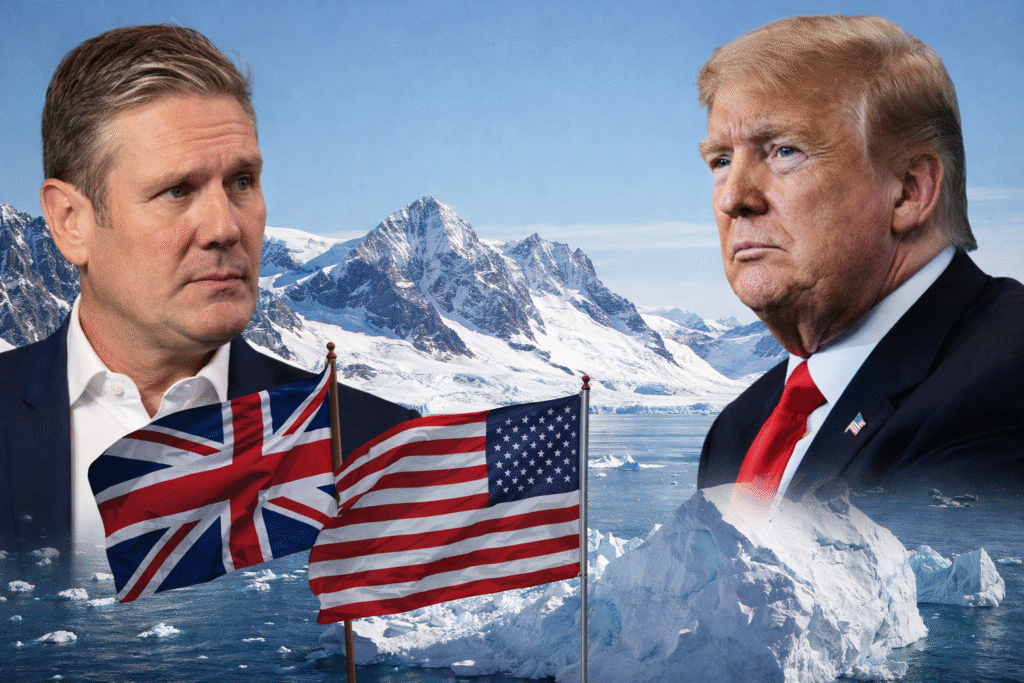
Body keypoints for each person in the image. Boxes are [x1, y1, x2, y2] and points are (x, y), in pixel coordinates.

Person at [0, 25, 417, 546]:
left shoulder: (369, 448)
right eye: (177, 190)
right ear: (70, 222)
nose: (224, 228)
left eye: (242, 182)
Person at [694, 15, 1024, 505]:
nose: (733, 198)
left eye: (785, 151)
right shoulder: (738, 429)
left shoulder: (1004, 384)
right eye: (721, 160)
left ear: (910, 192)